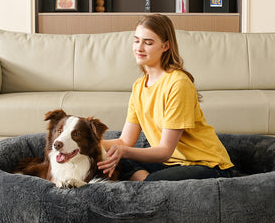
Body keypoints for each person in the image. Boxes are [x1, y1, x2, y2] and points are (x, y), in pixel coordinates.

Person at [97, 14, 234, 181]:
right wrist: (84, 144)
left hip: (204, 164)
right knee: (114, 163)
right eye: (136, 40)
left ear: (165, 46)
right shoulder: (139, 86)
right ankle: (144, 184)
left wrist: (123, 151)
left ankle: (145, 184)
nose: (139, 48)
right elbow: (125, 141)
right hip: (170, 163)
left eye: (148, 43)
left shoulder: (178, 83)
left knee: (150, 181)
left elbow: (164, 151)